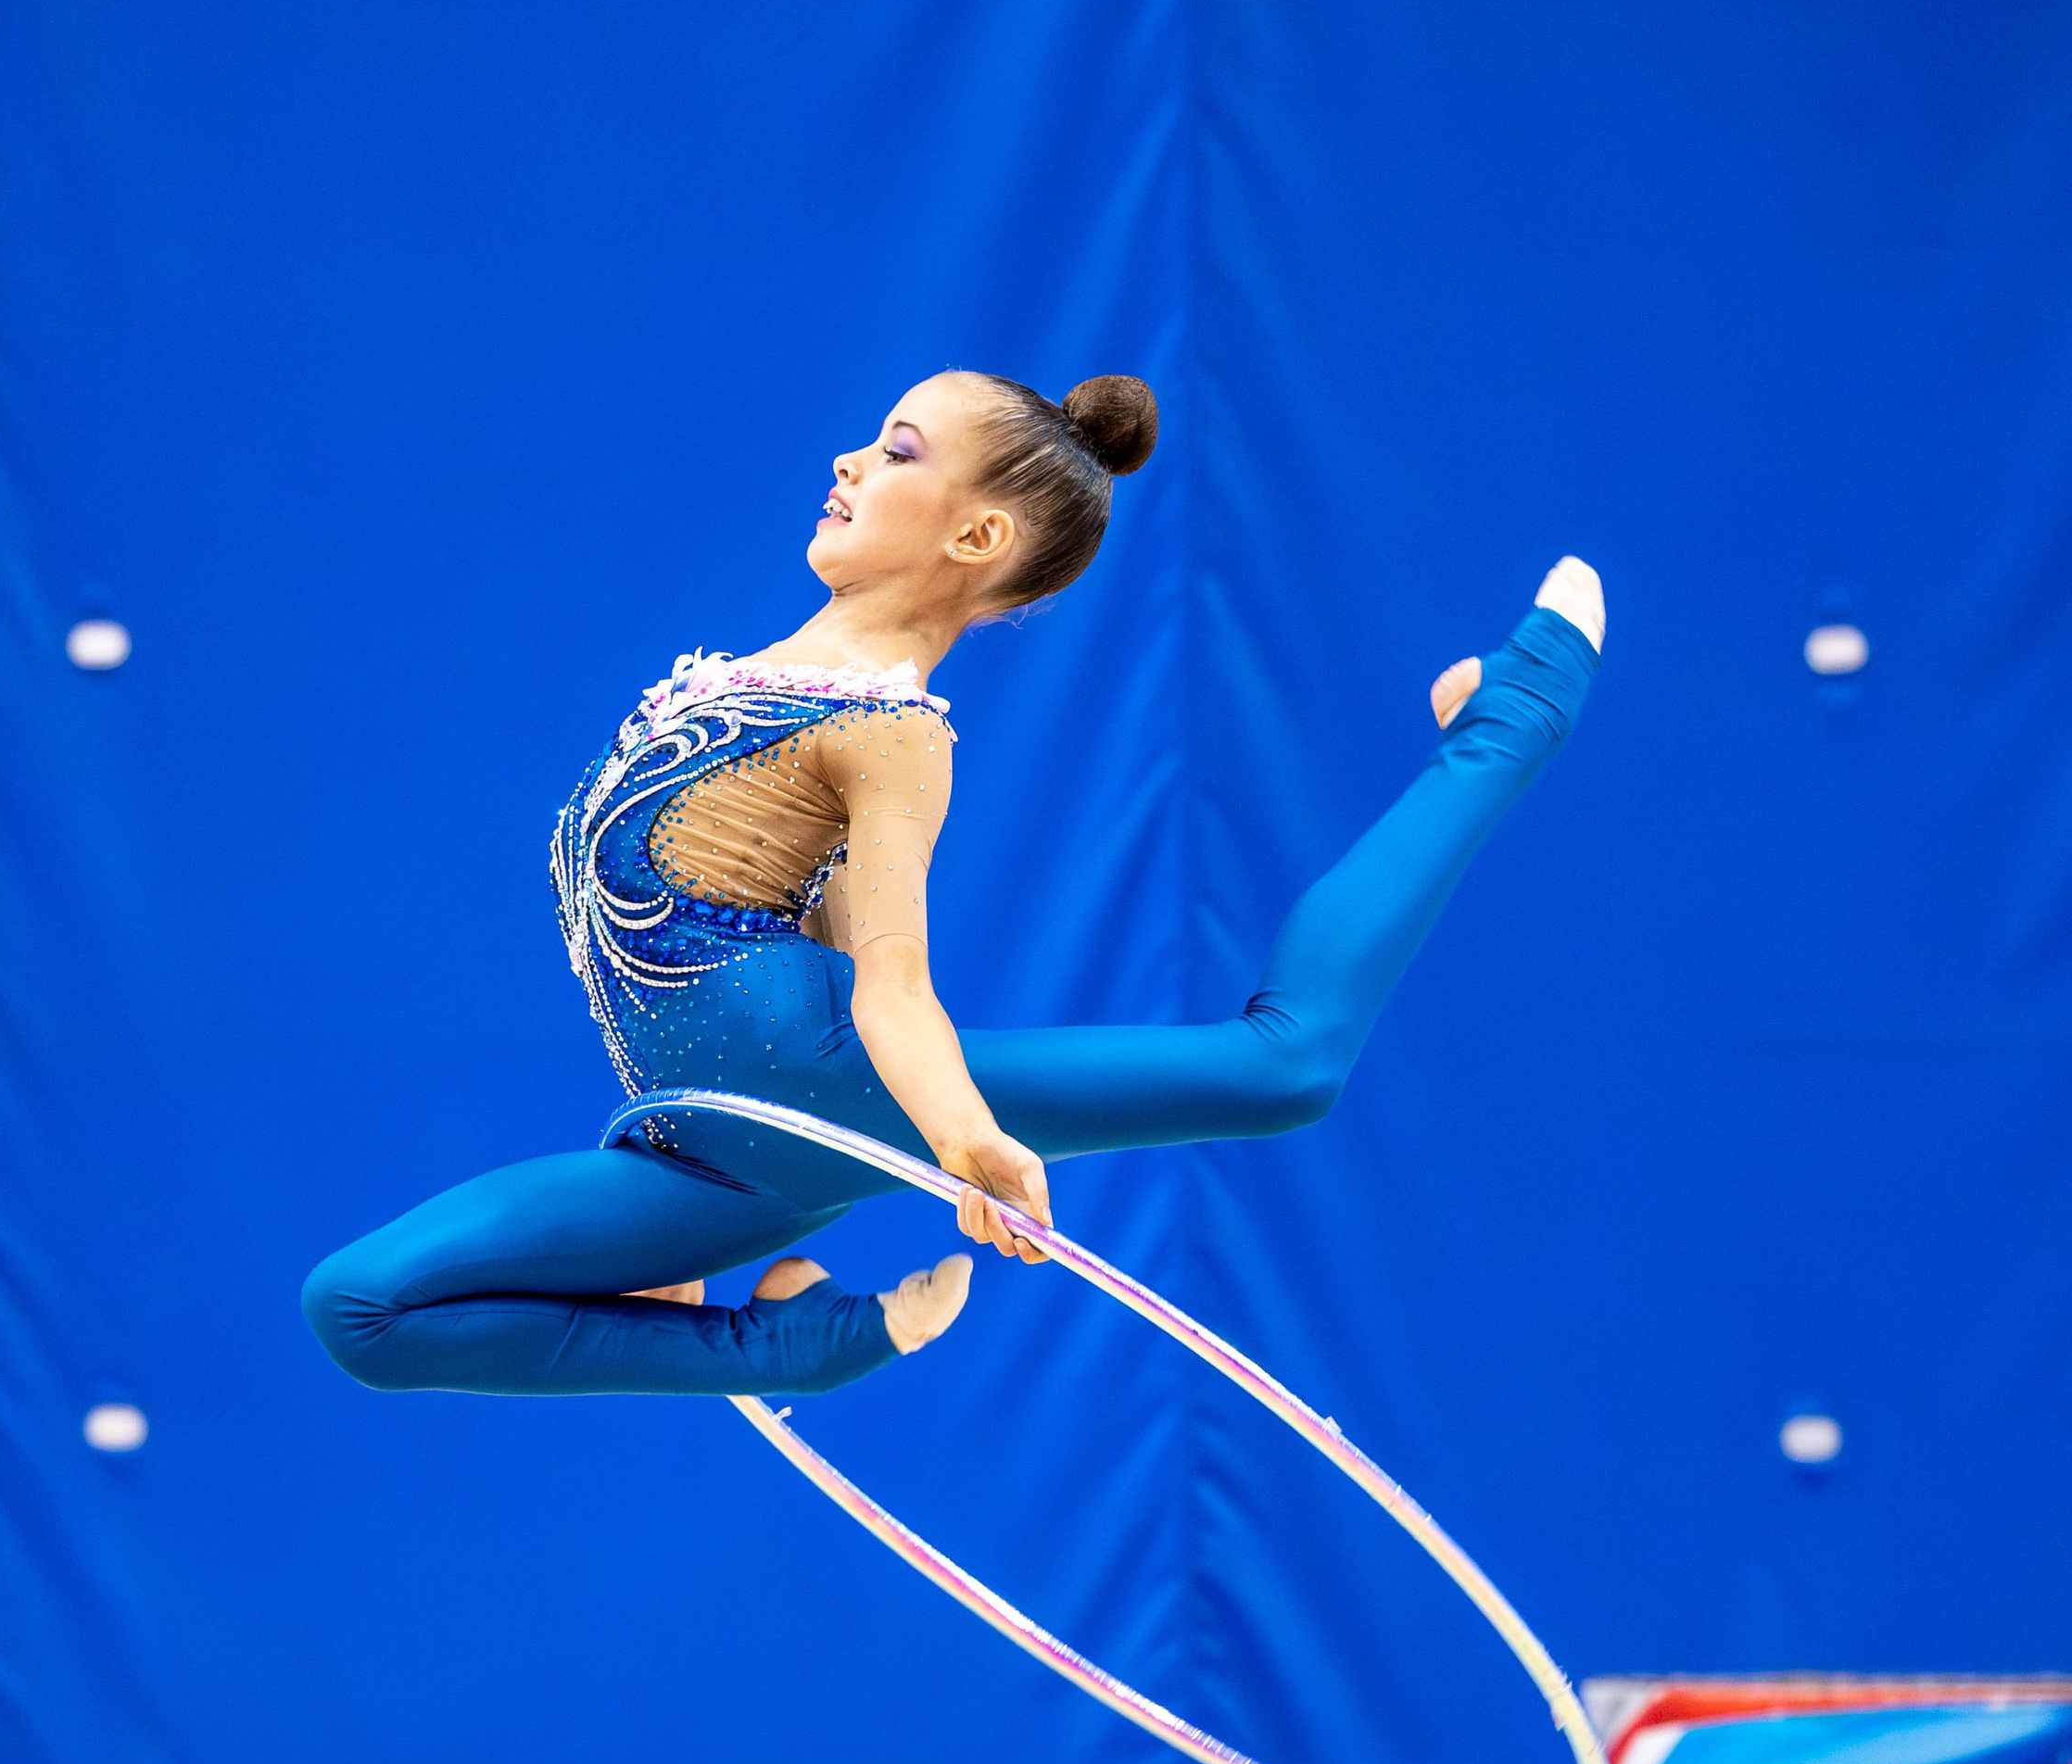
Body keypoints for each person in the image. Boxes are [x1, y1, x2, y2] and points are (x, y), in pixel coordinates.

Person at [303, 371, 1602, 1403]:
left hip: (840, 1088)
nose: (850, 462)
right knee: (359, 1309)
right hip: (708, 1154)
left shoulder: (891, 730)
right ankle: (794, 1342)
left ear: (979, 534)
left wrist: (968, 1144)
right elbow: (798, 912)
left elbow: (894, 985)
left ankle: (1509, 722)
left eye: (900, 450)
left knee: (1286, 1066)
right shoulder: (733, 681)